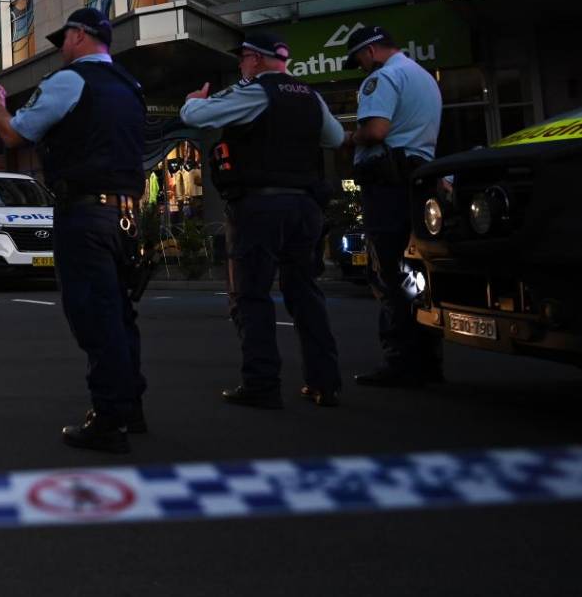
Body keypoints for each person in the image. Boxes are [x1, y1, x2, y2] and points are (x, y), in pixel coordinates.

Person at [0, 7, 147, 454]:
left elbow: (14, 136)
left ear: (80, 36)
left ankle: (110, 418)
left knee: (95, 314)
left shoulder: (71, 80)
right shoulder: (130, 85)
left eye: (64, 37)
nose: (61, 47)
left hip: (85, 213)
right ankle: (130, 406)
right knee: (120, 312)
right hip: (127, 214)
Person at [180, 33, 346, 409]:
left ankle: (261, 383)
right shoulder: (310, 96)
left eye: (242, 60)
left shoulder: (256, 92)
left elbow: (197, 118)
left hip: (260, 206)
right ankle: (326, 382)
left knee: (252, 294)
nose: (241, 65)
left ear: (255, 59)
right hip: (305, 208)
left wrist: (193, 103)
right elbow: (335, 138)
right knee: (305, 292)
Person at [341, 25, 444, 388]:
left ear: (370, 52)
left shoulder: (382, 79)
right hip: (418, 182)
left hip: (387, 186)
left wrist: (350, 137)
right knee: (418, 273)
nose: (360, 67)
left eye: (358, 60)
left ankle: (400, 360)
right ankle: (428, 359)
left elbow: (376, 131)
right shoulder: (423, 77)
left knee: (389, 274)